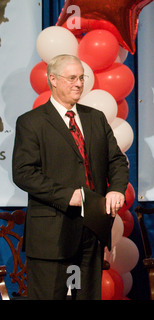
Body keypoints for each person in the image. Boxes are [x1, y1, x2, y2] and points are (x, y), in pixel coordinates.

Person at [12, 54, 129, 299]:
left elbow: (116, 161)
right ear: (52, 79)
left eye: (81, 78)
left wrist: (116, 188)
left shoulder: (95, 118)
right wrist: (69, 196)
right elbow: (24, 173)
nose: (78, 83)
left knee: (84, 295)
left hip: (90, 232)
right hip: (52, 234)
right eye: (72, 78)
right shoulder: (31, 123)